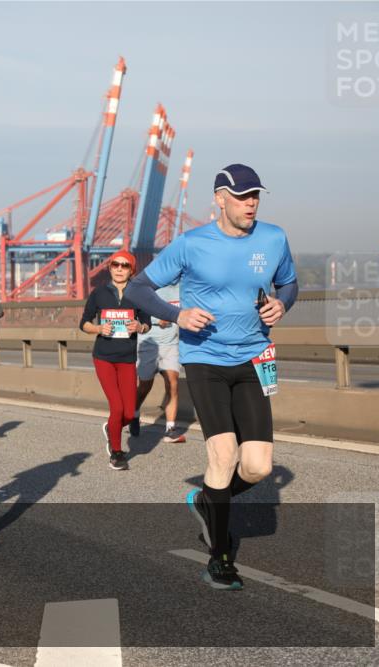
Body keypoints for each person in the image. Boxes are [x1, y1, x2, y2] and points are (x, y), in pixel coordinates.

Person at [127, 163, 298, 590]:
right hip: (205, 360)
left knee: (257, 468)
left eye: (255, 194)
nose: (251, 202)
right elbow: (137, 289)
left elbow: (290, 283)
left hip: (255, 359)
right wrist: (176, 313)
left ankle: (206, 499)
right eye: (241, 196)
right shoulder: (191, 244)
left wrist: (283, 305)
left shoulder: (274, 238)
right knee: (223, 457)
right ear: (220, 199)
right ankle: (220, 558)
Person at [80, 250, 151, 471]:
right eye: (115, 265)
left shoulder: (140, 293)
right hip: (104, 357)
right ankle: (117, 453)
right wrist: (98, 328)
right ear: (110, 267)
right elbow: (83, 323)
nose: (119, 269)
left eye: (125, 265)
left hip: (128, 358)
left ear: (132, 270)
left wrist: (139, 327)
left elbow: (147, 323)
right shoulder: (99, 293)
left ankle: (112, 429)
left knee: (129, 412)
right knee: (117, 407)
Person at [131, 283, 186, 443]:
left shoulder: (182, 289)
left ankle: (170, 429)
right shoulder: (150, 288)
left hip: (171, 344)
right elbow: (138, 312)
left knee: (173, 383)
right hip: (148, 343)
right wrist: (157, 319)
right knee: (144, 386)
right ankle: (134, 413)